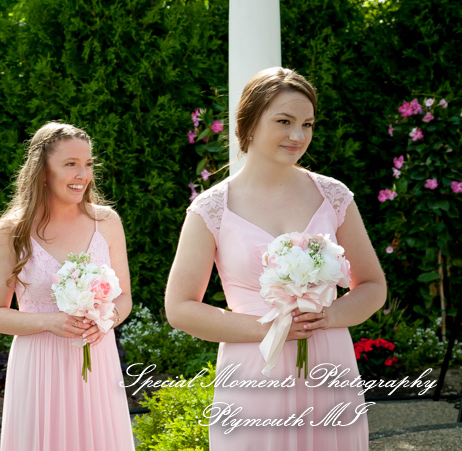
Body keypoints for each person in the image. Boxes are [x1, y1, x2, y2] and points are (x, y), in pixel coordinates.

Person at [165, 67, 387, 450]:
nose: (298, 136)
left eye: (307, 124)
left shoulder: (333, 196)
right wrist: (266, 329)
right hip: (254, 371)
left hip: (329, 368)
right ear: (248, 124)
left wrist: (330, 316)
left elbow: (372, 285)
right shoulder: (212, 208)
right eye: (284, 121)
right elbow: (180, 307)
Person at [0, 122, 135, 451]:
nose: (83, 174)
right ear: (43, 171)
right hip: (38, 368)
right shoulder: (11, 231)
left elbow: (123, 298)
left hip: (96, 362)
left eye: (88, 164)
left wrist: (107, 320)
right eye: (70, 164)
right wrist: (48, 321)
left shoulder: (107, 222)